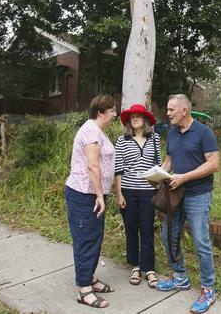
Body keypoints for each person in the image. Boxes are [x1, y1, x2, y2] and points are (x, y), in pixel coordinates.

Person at [156, 94, 220, 314]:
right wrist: (158, 174)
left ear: (184, 110)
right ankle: (180, 277)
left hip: (198, 194)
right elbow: (170, 161)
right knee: (168, 235)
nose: (168, 113)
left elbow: (213, 164)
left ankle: (208, 289)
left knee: (201, 241)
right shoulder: (172, 134)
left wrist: (184, 177)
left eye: (172, 109)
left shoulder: (204, 132)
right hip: (175, 193)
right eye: (168, 109)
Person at [65, 94, 117, 309]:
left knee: (94, 237)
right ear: (100, 112)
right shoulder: (90, 131)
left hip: (94, 194)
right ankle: (84, 290)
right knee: (86, 239)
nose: (115, 114)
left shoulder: (98, 131)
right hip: (84, 195)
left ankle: (91, 278)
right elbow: (92, 165)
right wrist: (98, 195)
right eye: (112, 110)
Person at [113, 103, 161, 289]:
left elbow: (158, 165)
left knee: (147, 228)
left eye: (139, 116)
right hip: (128, 191)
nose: (135, 118)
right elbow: (119, 170)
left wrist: (158, 181)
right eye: (132, 116)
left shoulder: (155, 139)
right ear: (128, 121)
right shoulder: (121, 140)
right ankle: (135, 266)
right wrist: (119, 194)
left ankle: (149, 269)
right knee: (131, 228)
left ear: (145, 119)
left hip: (149, 191)